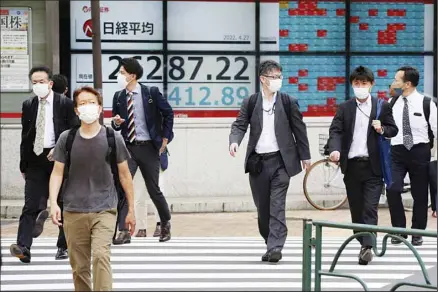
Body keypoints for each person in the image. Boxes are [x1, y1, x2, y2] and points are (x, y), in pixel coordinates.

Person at [49, 86, 136, 291]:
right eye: (82, 103)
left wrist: (131, 209)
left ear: (99, 108)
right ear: (77, 110)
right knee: (79, 268)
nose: (87, 107)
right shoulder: (66, 138)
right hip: (73, 209)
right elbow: (57, 173)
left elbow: (125, 174)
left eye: (92, 102)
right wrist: (53, 202)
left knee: (101, 256)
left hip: (104, 208)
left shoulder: (112, 137)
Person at [229, 60, 311, 263]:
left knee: (277, 205)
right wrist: (234, 141)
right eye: (274, 77)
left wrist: (305, 155)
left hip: (281, 161)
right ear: (263, 79)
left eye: (280, 77)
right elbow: (239, 124)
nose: (278, 81)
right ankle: (270, 242)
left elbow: (299, 129)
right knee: (262, 209)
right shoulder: (250, 102)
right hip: (258, 163)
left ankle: (276, 247)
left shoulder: (287, 101)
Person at [328, 66, 398, 265]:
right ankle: (363, 240)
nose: (360, 87)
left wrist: (382, 128)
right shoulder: (345, 108)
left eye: (364, 83)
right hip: (351, 166)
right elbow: (336, 131)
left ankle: (367, 247)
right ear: (352, 85)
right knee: (357, 210)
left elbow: (393, 129)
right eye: (356, 84)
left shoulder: (381, 106)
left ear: (371, 84)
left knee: (370, 208)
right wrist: (335, 149)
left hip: (373, 167)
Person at [9, 66, 78, 264]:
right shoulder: (28, 104)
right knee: (30, 204)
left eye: (41, 81)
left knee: (63, 202)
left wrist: (59, 149)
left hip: (59, 159)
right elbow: (25, 135)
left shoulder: (64, 103)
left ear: (50, 83)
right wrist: (23, 164)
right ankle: (23, 247)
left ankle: (63, 245)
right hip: (35, 160)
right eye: (34, 82)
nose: (38, 85)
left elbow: (74, 131)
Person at [111, 57, 174, 244]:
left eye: (122, 72)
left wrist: (165, 138)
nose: (119, 76)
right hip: (128, 148)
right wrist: (116, 123)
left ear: (132, 75)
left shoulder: (150, 93)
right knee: (124, 188)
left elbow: (168, 113)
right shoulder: (119, 96)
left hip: (148, 148)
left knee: (153, 189)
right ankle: (123, 230)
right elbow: (116, 125)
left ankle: (165, 223)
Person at [386, 66, 437, 246]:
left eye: (397, 79)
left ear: (407, 84)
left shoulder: (426, 103)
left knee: (420, 194)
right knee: (392, 189)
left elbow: (436, 130)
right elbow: (387, 128)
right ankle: (399, 230)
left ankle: (417, 231)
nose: (394, 82)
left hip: (419, 151)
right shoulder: (391, 103)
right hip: (397, 151)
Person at [50, 73, 71, 260]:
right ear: (65, 89)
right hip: (63, 159)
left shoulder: (38, 104)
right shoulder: (68, 104)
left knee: (40, 197)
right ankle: (62, 246)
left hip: (41, 157)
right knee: (63, 201)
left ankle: (42, 210)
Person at [135, 150, 169, 237]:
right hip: (137, 157)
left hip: (155, 157)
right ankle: (141, 227)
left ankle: (160, 224)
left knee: (157, 193)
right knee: (139, 196)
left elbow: (168, 136)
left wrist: (163, 144)